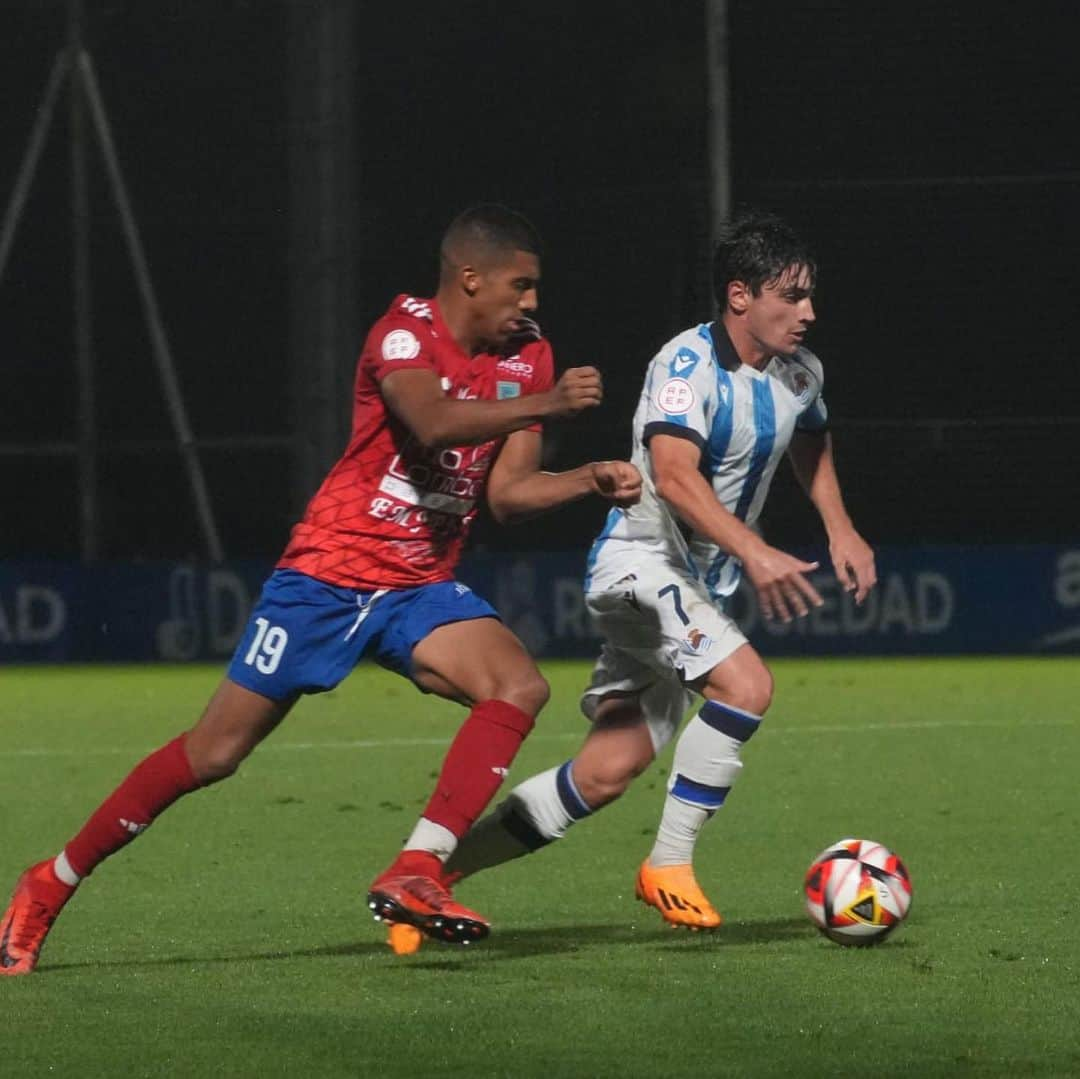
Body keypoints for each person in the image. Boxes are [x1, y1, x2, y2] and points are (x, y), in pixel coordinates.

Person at [0, 203, 642, 974]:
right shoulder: (402, 334)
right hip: (326, 578)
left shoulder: (529, 355)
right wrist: (549, 404)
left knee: (517, 684)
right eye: (521, 285)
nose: (532, 303)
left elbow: (507, 494)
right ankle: (50, 881)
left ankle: (418, 866)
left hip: (418, 586)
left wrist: (587, 478)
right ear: (470, 278)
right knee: (213, 753)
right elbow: (434, 423)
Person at [416, 209, 877, 941]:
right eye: (790, 296)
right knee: (748, 685)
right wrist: (757, 550)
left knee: (605, 770)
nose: (808, 312)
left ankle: (434, 878)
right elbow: (675, 475)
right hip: (640, 563)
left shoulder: (800, 370)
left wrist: (840, 526)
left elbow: (811, 442)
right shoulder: (685, 366)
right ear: (739, 296)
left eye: (810, 295)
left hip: (699, 583)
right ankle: (667, 863)